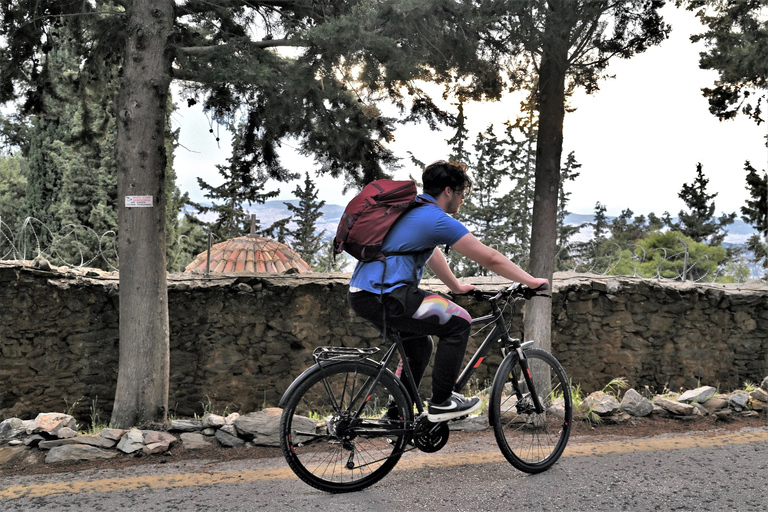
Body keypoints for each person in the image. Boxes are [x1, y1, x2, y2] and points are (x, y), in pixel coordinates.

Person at [347, 160, 550, 422]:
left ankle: (398, 413)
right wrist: (531, 281)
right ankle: (442, 402)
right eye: (462, 193)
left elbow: (430, 253)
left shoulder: (414, 209)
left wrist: (455, 286)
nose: (462, 200)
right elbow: (490, 258)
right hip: (386, 295)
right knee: (459, 322)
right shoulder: (435, 218)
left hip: (365, 293)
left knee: (420, 346)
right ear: (447, 191)